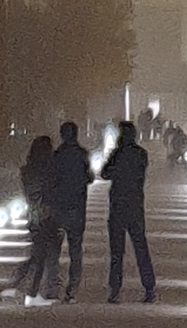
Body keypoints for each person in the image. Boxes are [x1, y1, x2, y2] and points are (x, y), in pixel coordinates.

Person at [99, 117, 156, 304]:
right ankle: (149, 287)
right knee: (141, 248)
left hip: (118, 206)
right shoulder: (141, 154)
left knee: (117, 252)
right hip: (135, 205)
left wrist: (116, 162)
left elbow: (104, 173)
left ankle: (115, 289)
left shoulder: (118, 154)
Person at [45, 118, 92, 302]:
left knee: (54, 250)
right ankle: (72, 289)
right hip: (77, 208)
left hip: (59, 208)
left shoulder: (57, 155)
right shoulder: (82, 154)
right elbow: (89, 177)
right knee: (75, 250)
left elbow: (51, 180)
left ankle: (52, 287)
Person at [9, 133, 59, 301]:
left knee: (38, 254)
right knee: (45, 255)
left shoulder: (28, 171)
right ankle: (34, 289)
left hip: (35, 216)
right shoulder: (51, 171)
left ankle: (25, 285)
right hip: (49, 215)